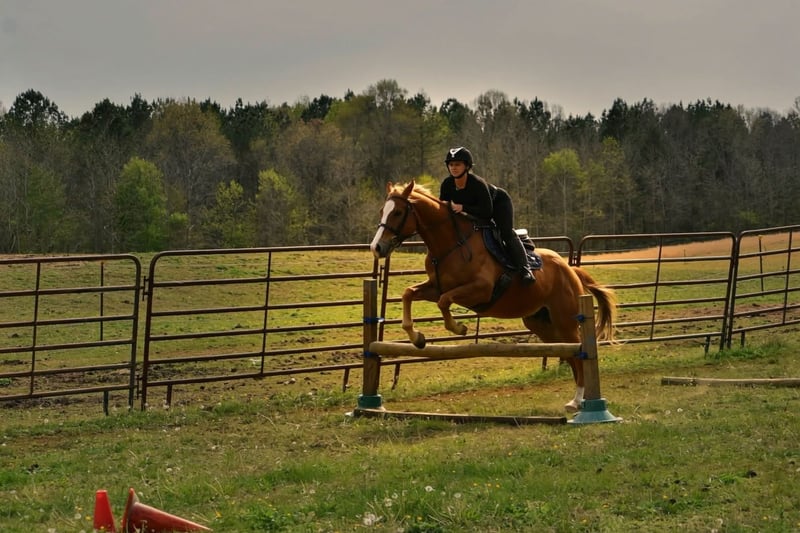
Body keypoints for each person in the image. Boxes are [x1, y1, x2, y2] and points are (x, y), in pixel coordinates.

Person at [439, 146, 535, 284]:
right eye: (451, 164)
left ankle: (525, 269)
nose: (454, 168)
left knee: (505, 233)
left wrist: (463, 207)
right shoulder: (447, 184)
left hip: (498, 204)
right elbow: (444, 208)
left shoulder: (477, 183)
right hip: (474, 210)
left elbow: (487, 212)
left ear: (467, 166)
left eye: (458, 164)